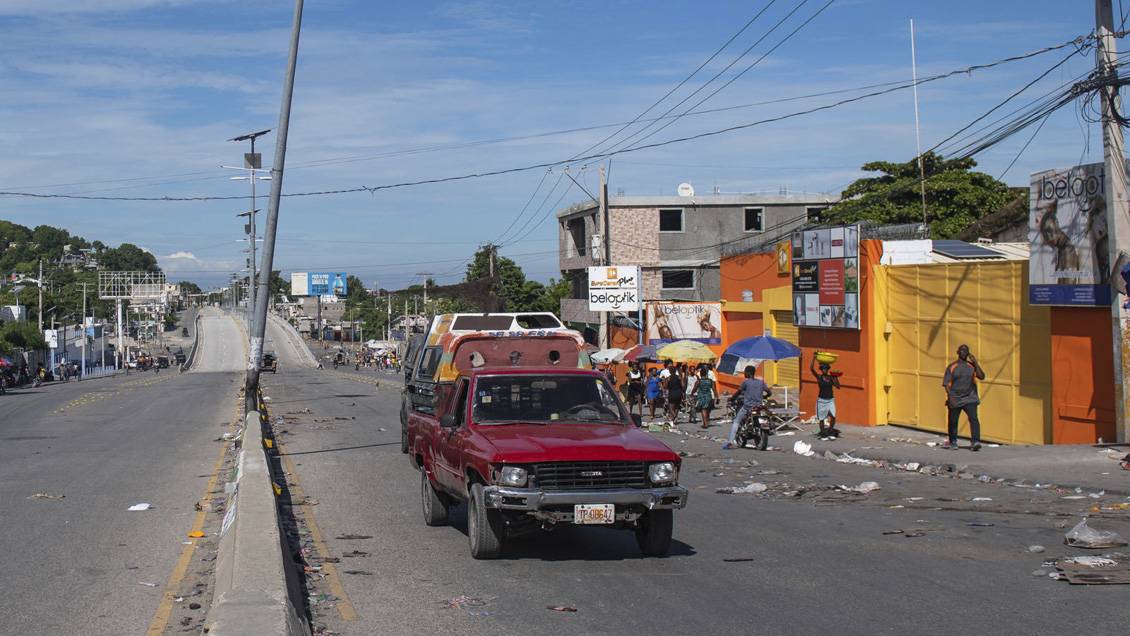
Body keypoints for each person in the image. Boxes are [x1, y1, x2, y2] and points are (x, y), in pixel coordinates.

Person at [943, 344, 985, 451]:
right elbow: (946, 383)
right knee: (953, 420)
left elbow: (981, 376)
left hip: (970, 397)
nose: (964, 353)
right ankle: (953, 441)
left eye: (966, 351)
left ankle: (975, 441)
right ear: (958, 352)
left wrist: (975, 362)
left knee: (973, 418)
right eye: (962, 351)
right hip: (955, 397)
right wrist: (950, 397)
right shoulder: (952, 367)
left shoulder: (971, 366)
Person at [724, 365, 771, 450]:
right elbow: (769, 393)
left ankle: (730, 442)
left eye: (745, 372)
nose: (744, 373)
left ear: (749, 373)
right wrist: (763, 397)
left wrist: (731, 398)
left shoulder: (745, 383)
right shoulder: (761, 382)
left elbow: (738, 392)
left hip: (748, 407)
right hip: (759, 406)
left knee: (736, 422)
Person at [811, 355, 841, 439]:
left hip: (830, 399)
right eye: (824, 369)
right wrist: (814, 358)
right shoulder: (820, 377)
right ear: (821, 369)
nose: (825, 370)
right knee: (822, 418)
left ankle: (831, 430)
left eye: (826, 369)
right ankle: (823, 432)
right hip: (821, 400)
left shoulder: (830, 378)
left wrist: (836, 378)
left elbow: (838, 387)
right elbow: (812, 369)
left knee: (833, 416)